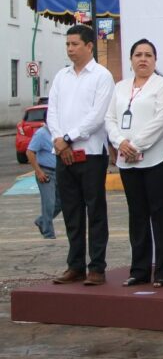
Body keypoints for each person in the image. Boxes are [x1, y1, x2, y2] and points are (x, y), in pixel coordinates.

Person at [47, 24, 115, 286]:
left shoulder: (101, 76)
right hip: (64, 154)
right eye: (67, 44)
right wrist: (58, 140)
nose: (70, 49)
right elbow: (52, 111)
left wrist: (67, 138)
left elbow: (97, 117)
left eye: (75, 44)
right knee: (71, 212)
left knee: (95, 211)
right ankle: (75, 265)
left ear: (89, 46)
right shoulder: (61, 77)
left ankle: (97, 266)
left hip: (90, 154)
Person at [106, 39, 163, 288]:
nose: (143, 59)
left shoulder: (162, 85)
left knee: (160, 215)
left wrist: (135, 145)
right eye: (138, 54)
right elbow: (110, 118)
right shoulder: (121, 87)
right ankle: (139, 270)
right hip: (128, 162)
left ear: (155, 60)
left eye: (148, 55)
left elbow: (161, 120)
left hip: (157, 159)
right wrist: (120, 142)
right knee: (137, 216)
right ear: (131, 59)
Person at [27, 114, 61, 240]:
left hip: (59, 172)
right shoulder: (41, 134)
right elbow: (30, 152)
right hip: (46, 172)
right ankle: (48, 234)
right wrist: (38, 171)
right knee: (49, 203)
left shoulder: (58, 133)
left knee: (61, 202)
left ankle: (42, 221)